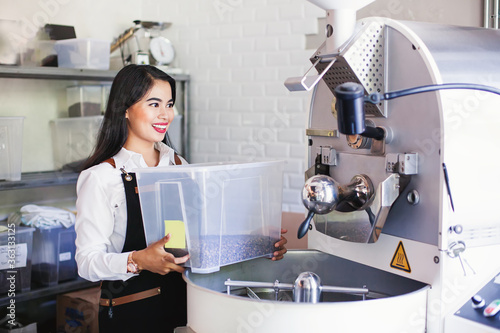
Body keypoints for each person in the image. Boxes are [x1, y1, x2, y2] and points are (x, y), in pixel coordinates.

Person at [74, 64, 288, 333]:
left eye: (169, 104)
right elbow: (87, 262)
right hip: (132, 313)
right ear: (124, 109)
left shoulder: (178, 164)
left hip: (186, 306)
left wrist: (258, 243)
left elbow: (192, 239)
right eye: (154, 104)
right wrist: (138, 260)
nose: (165, 114)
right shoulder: (102, 178)